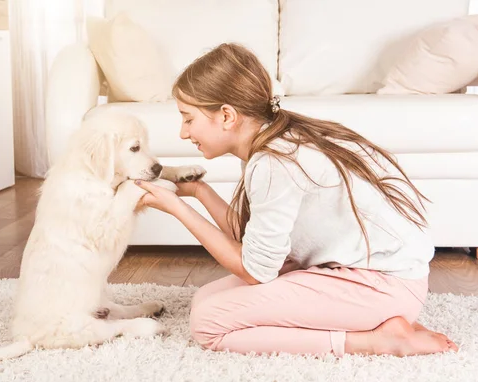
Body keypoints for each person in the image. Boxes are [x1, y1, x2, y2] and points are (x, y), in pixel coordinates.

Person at [134, 43, 458, 357]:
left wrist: (178, 208)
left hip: (382, 287)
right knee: (205, 300)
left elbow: (255, 271)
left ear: (227, 116)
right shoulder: (273, 140)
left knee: (208, 323)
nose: (183, 133)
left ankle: (376, 340)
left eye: (188, 118)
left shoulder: (274, 162)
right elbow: (258, 246)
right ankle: (372, 326)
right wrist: (200, 192)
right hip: (373, 279)